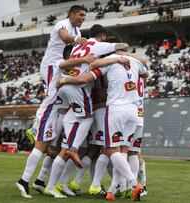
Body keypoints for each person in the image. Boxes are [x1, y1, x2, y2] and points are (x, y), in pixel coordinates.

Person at [43, 24, 129, 198]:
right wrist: (118, 56)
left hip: (67, 90)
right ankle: (72, 153)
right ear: (102, 36)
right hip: (78, 88)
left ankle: (57, 180)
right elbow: (123, 46)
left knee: (69, 143)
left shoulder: (79, 44)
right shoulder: (98, 47)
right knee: (88, 122)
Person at [16, 5, 89, 199]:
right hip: (51, 65)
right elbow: (66, 38)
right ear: (72, 14)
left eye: (84, 16)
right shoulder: (63, 25)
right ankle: (34, 127)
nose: (82, 18)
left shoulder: (78, 30)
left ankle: (39, 180)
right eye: (80, 15)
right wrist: (79, 44)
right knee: (52, 94)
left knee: (51, 140)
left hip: (59, 76)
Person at [56, 50, 148, 201]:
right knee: (125, 150)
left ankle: (132, 184)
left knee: (109, 151)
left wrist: (64, 80)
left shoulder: (108, 63)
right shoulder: (135, 62)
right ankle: (116, 188)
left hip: (115, 109)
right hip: (135, 110)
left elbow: (87, 73)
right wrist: (125, 58)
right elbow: (146, 74)